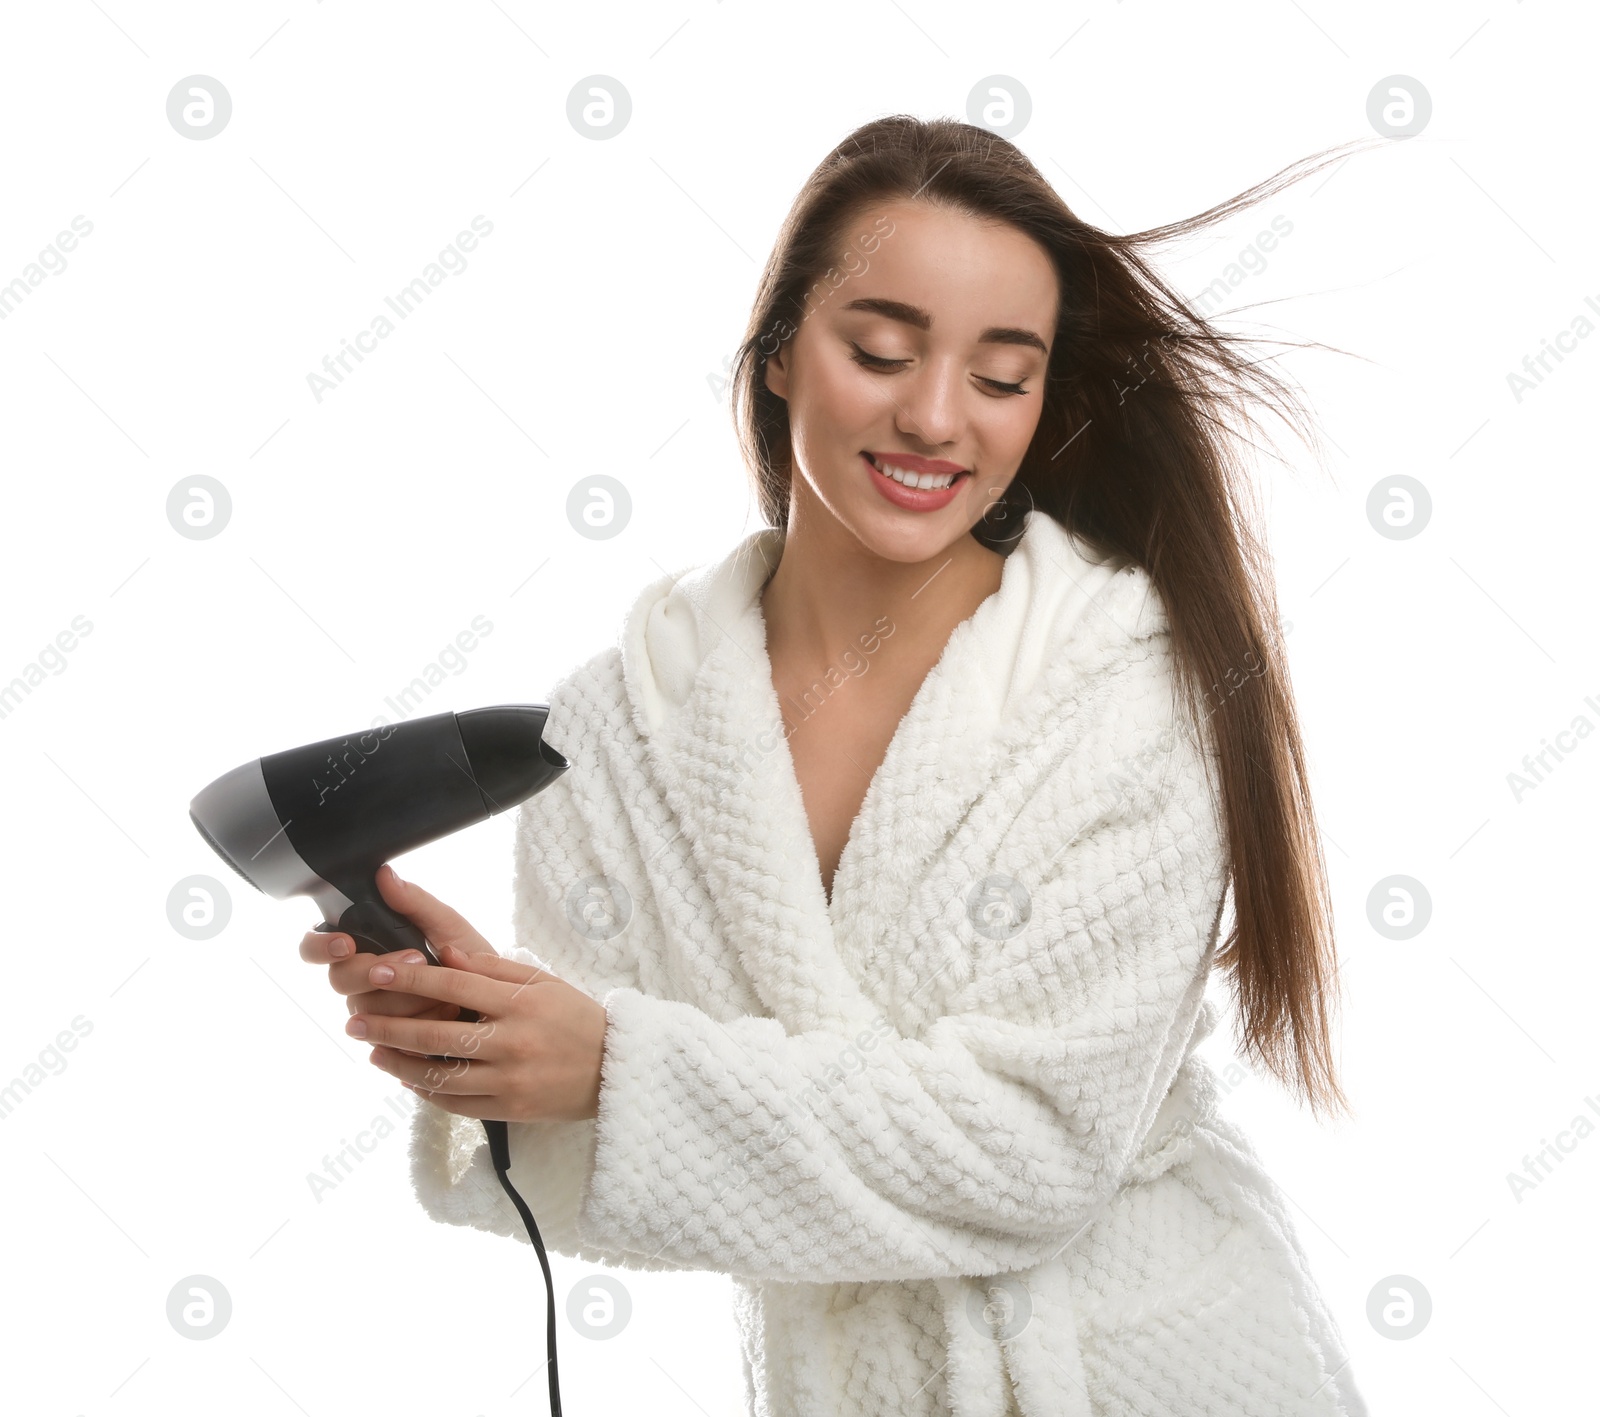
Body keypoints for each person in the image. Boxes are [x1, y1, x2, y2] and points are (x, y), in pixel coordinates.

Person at [300, 116, 1373, 1416]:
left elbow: (1032, 1150)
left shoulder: (1121, 686)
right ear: (774, 360)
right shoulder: (629, 722)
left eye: (1001, 374)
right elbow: (641, 1164)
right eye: (881, 350)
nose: (933, 415)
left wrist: (614, 1064)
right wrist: (493, 1037)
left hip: (1152, 1372)